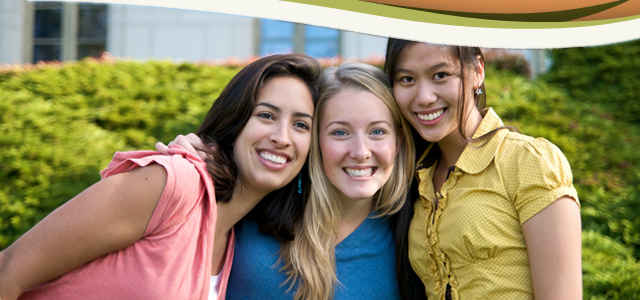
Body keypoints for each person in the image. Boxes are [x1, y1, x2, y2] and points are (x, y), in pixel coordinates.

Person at [0, 53, 323, 300]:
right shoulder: (174, 184)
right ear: (235, 120)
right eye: (266, 115)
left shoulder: (235, 240)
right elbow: (8, 270)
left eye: (301, 125)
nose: (282, 137)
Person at [162, 62, 420, 300]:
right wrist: (196, 161)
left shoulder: (412, 229)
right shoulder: (256, 202)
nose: (361, 152)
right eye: (340, 132)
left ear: (398, 142)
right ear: (314, 141)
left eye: (377, 131)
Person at [383, 39, 583, 300]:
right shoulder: (413, 177)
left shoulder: (528, 161)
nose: (424, 97)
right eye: (407, 79)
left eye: (441, 75)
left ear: (477, 71)